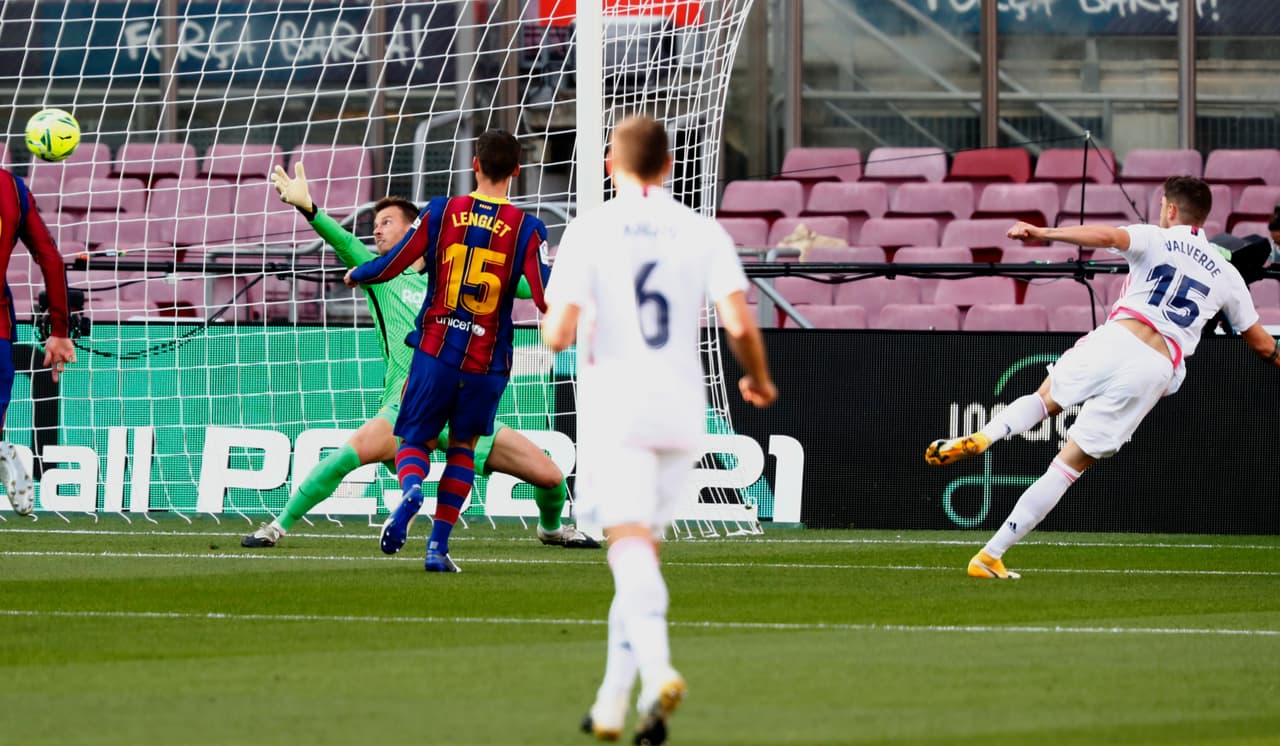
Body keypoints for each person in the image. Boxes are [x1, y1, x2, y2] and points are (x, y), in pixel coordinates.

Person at [541, 115, 777, 745]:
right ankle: (614, 703)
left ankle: (659, 667)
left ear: (611, 166)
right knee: (640, 552)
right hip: (681, 410)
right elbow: (739, 323)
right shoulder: (701, 230)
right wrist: (757, 379)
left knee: (627, 549)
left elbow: (558, 332)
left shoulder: (589, 230)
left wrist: (562, 326)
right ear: (670, 167)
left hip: (617, 408)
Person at [926, 175, 1279, 579]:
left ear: (1171, 210)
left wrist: (1042, 231)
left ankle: (986, 436)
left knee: (1043, 401)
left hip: (1118, 335)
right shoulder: (1227, 272)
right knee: (1068, 466)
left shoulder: (1155, 237)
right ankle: (989, 555)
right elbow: (1263, 346)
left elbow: (1107, 235)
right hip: (1156, 365)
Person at [241, 162, 598, 551]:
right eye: (375, 223)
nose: (376, 229)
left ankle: (551, 528)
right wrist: (309, 209)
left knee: (551, 476)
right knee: (345, 458)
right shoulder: (383, 276)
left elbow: (531, 287)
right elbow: (345, 243)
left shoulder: (453, 276)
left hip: (460, 400)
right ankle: (275, 527)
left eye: (386, 221)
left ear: (413, 229)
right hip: (406, 402)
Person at [345, 130, 557, 573]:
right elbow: (543, 295)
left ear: (474, 165)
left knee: (413, 439)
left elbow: (397, 261)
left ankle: (410, 490)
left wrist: (359, 273)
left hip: (436, 348)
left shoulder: (444, 211)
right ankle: (437, 548)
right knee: (464, 447)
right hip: (486, 360)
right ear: (516, 172)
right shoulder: (527, 228)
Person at [0, 167, 75, 516]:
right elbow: (51, 257)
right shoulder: (11, 188)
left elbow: (50, 258)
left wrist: (60, 328)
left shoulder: (14, 188)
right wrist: (59, 329)